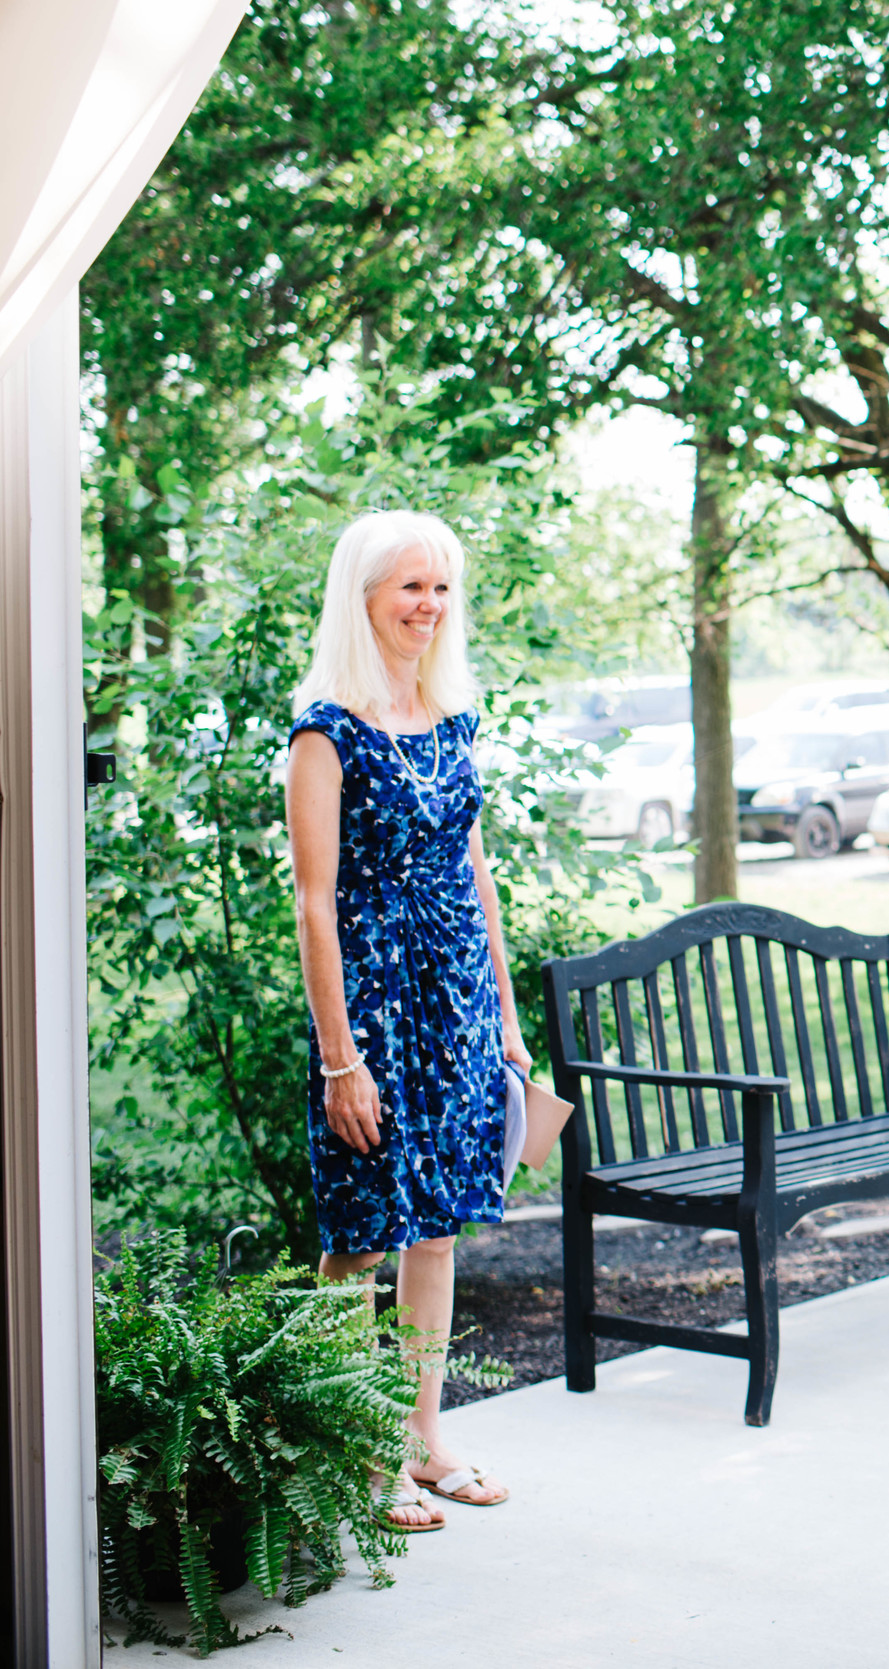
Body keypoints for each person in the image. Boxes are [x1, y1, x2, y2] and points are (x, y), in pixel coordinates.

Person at [285, 510, 525, 1535]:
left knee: (434, 1227)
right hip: (373, 1013)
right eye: (409, 587)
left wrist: (506, 1021)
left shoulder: (452, 718)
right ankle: (354, 1450)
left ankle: (425, 1440)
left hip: (457, 1003)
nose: (428, 606)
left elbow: (476, 876)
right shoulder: (323, 729)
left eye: (440, 588)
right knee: (361, 1237)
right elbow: (312, 901)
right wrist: (341, 1058)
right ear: (365, 595)